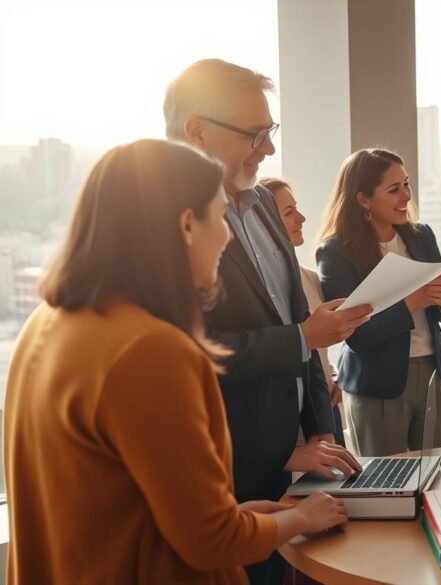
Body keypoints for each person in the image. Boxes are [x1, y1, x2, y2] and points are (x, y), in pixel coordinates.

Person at [2, 139, 350, 584]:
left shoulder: (46, 324)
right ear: (187, 225)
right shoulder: (151, 351)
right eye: (220, 216)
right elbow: (211, 542)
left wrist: (241, 515)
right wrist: (299, 519)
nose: (227, 237)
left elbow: (113, 499)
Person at [164, 59, 370, 584]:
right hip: (233, 466)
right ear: (197, 132)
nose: (270, 149)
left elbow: (300, 324)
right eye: (255, 134)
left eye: (270, 132)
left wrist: (322, 437)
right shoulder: (166, 225)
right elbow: (194, 350)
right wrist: (302, 337)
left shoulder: (259, 203)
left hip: (303, 453)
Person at [317, 148, 441, 457]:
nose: (406, 196)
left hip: (433, 373)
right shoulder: (335, 253)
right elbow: (354, 336)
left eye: (407, 185)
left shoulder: (421, 236)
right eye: (394, 190)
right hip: (377, 384)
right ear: (364, 199)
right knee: (386, 487)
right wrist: (411, 302)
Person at [262, 176, 346, 445]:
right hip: (295, 419)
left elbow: (319, 344)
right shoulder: (263, 292)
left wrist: (335, 373)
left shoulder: (309, 278)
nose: (302, 218)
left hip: (327, 407)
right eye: (289, 212)